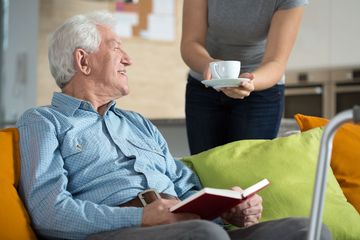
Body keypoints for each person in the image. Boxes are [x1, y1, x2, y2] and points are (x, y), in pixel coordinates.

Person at [16, 11, 331, 240]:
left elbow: (185, 186)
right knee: (205, 235)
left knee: (307, 229)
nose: (128, 60)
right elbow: (50, 213)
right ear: (83, 62)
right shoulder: (43, 122)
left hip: (187, 225)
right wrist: (141, 217)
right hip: (120, 231)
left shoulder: (137, 123)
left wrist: (227, 207)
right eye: (116, 49)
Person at [181, 0, 308, 154]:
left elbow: (276, 62)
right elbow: (190, 42)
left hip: (261, 88)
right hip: (205, 84)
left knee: (249, 173)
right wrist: (210, 65)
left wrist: (249, 81)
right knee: (204, 169)